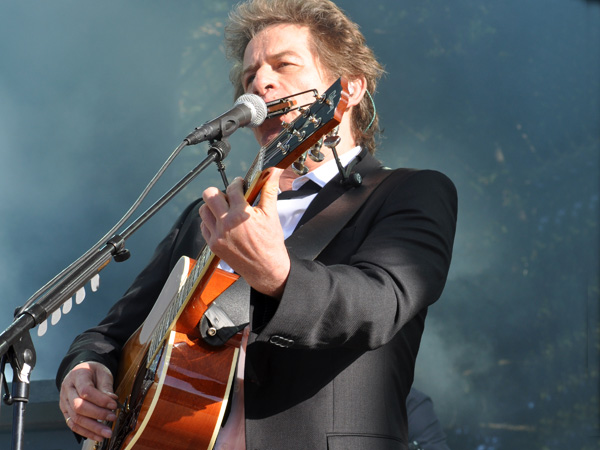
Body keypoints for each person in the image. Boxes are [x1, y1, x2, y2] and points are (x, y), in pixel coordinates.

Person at [56, 1, 458, 449]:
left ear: (351, 88)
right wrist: (85, 368)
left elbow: (380, 305)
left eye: (283, 66)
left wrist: (278, 275)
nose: (261, 84)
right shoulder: (208, 216)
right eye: (250, 78)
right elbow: (113, 333)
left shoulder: (409, 192)